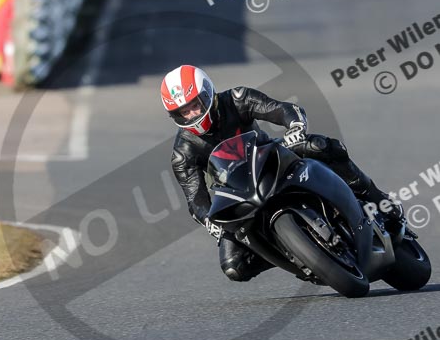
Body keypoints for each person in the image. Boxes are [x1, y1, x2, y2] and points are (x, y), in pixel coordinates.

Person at [161, 64, 404, 283]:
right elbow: (196, 199)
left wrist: (295, 127)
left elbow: (280, 109)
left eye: (194, 105)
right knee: (234, 267)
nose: (192, 114)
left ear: (208, 94)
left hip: (269, 158)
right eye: (183, 111)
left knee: (324, 147)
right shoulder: (183, 153)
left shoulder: (236, 99)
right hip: (237, 192)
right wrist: (210, 222)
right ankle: (297, 257)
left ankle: (376, 198)